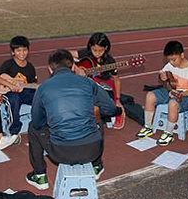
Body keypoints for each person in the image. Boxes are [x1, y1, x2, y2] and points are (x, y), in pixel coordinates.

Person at [25, 49, 119, 190]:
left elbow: (38, 122)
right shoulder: (88, 83)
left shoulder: (43, 88)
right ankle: (97, 166)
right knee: (97, 119)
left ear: (50, 69)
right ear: (73, 66)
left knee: (32, 127)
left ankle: (40, 175)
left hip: (60, 152)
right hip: (92, 150)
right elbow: (111, 109)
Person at [136, 40, 188, 146]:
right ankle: (148, 126)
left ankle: (169, 133)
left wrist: (178, 94)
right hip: (171, 91)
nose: (172, 63)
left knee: (173, 104)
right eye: (169, 60)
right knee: (150, 96)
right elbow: (162, 74)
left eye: (174, 59)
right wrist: (162, 76)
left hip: (186, 97)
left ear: (182, 55)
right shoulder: (170, 65)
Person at [0, 36, 38, 149]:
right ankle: (14, 132)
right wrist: (10, 85)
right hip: (8, 93)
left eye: (24, 50)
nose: (22, 53)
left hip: (24, 92)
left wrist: (38, 88)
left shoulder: (30, 67)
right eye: (18, 50)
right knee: (14, 100)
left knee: (39, 98)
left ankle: (41, 125)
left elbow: (33, 85)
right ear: (13, 52)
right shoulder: (9, 64)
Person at [71, 32, 126, 129]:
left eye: (100, 51)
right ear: (90, 47)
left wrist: (118, 100)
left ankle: (115, 113)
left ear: (106, 48)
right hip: (85, 85)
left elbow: (116, 80)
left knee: (104, 100)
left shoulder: (109, 61)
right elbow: (64, 54)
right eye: (94, 50)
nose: (97, 53)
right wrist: (76, 68)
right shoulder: (85, 54)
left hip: (103, 86)